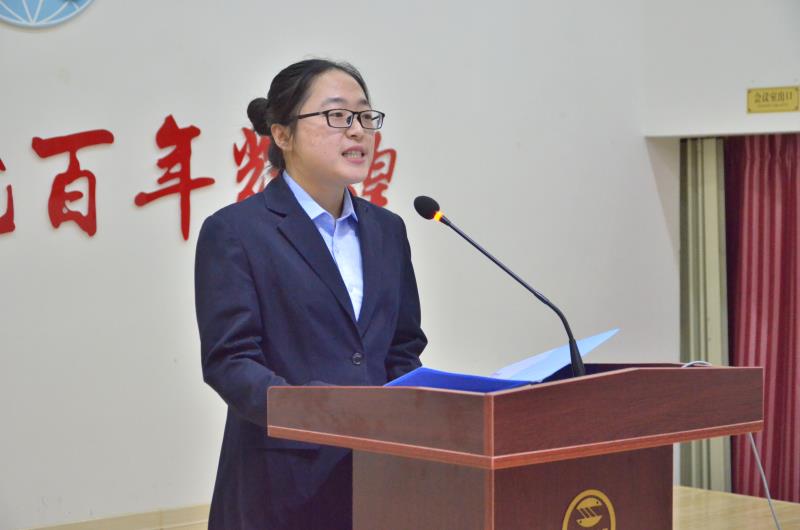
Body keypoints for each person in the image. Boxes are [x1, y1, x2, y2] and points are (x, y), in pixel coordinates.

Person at [194, 59, 427, 530]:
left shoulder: (388, 230)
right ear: (282, 134)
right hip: (280, 489)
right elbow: (230, 361)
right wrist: (319, 414)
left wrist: (414, 418)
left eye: (365, 116)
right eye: (337, 115)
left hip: (379, 481)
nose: (358, 131)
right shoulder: (237, 232)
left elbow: (402, 346)